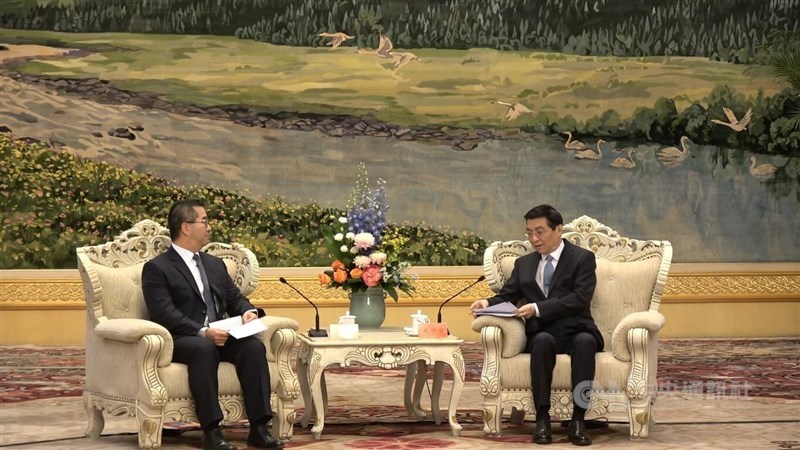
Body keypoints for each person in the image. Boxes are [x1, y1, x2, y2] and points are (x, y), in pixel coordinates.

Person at [142, 199, 283, 450]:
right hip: (181, 339)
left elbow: (235, 298)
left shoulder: (214, 264)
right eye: (204, 221)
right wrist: (203, 332)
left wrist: (248, 312)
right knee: (203, 348)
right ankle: (212, 431)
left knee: (252, 347)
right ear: (186, 227)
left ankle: (259, 428)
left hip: (220, 333)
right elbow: (164, 313)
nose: (209, 227)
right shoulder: (157, 268)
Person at [470, 204, 603, 446]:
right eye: (529, 233)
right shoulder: (524, 264)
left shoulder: (582, 258)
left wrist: (538, 308)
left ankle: (578, 419)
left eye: (540, 232)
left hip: (576, 328)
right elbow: (508, 295)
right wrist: (486, 302)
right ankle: (542, 418)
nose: (534, 239)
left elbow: (580, 298)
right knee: (541, 341)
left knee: (585, 343)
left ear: (558, 229)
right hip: (543, 331)